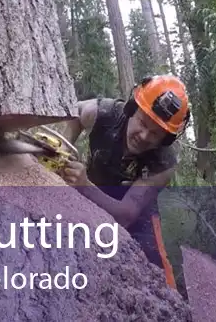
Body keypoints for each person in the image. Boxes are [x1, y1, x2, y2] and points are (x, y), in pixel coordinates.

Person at [58, 75, 191, 290]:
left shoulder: (163, 163)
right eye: (142, 122)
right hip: (93, 189)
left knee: (156, 266)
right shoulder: (105, 112)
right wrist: (63, 148)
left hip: (136, 210)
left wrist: (83, 186)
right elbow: (76, 113)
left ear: (166, 139)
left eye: (155, 134)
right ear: (131, 109)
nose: (144, 136)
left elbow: (127, 215)